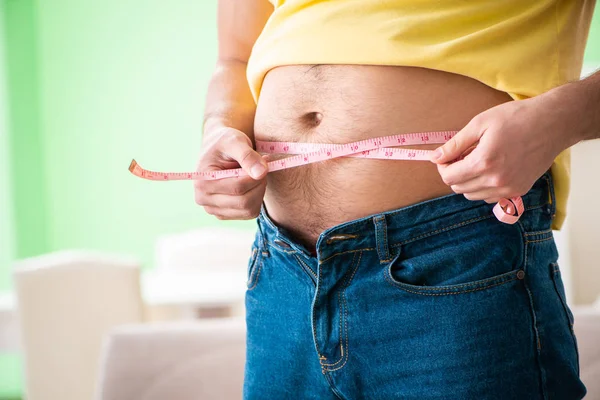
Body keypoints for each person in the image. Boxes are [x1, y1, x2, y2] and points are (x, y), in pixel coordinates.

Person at [195, 1, 599, 398]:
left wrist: (558, 119)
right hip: (283, 271)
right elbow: (234, 56)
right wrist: (219, 128)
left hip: (458, 259)